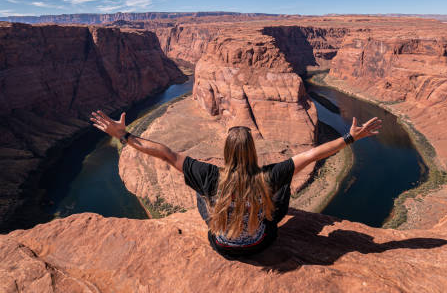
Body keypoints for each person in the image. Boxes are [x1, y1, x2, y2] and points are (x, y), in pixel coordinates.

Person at [90, 110, 381, 257]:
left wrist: (124, 136)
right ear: (253, 152)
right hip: (259, 244)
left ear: (226, 153)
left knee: (199, 194)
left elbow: (165, 153)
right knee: (283, 187)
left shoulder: (209, 175)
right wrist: (351, 138)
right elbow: (313, 153)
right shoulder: (268, 176)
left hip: (222, 245)